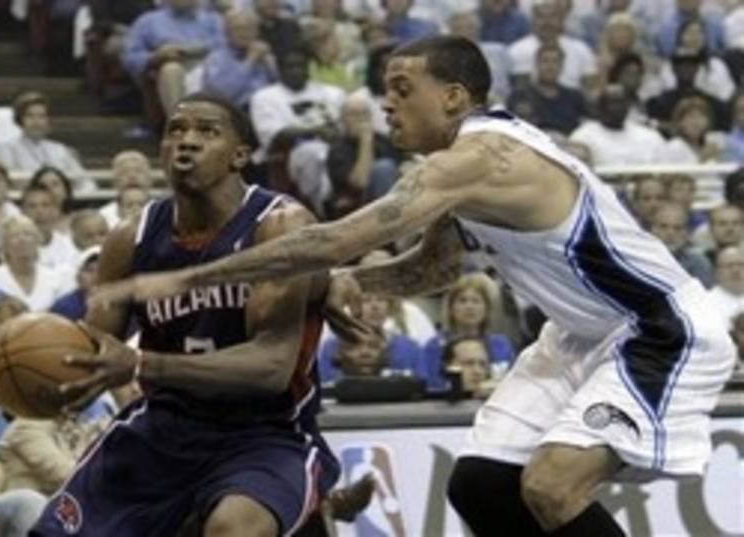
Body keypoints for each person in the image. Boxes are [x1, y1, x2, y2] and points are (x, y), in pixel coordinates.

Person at [98, 36, 736, 537]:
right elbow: (433, 269)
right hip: (580, 335)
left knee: (551, 487)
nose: (387, 104)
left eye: (402, 90)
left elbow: (333, 239)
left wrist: (196, 273)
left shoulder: (481, 159)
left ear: (453, 97)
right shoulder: (458, 171)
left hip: (657, 329)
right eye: (384, 90)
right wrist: (347, 282)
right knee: (480, 487)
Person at [28, 93, 342, 536]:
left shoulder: (279, 226)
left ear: (239, 156)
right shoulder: (129, 238)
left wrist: (142, 363)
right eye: (175, 130)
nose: (187, 141)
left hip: (266, 433)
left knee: (234, 528)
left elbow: (271, 366)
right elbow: (93, 356)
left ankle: (313, 505)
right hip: (163, 428)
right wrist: (49, 376)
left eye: (207, 131)